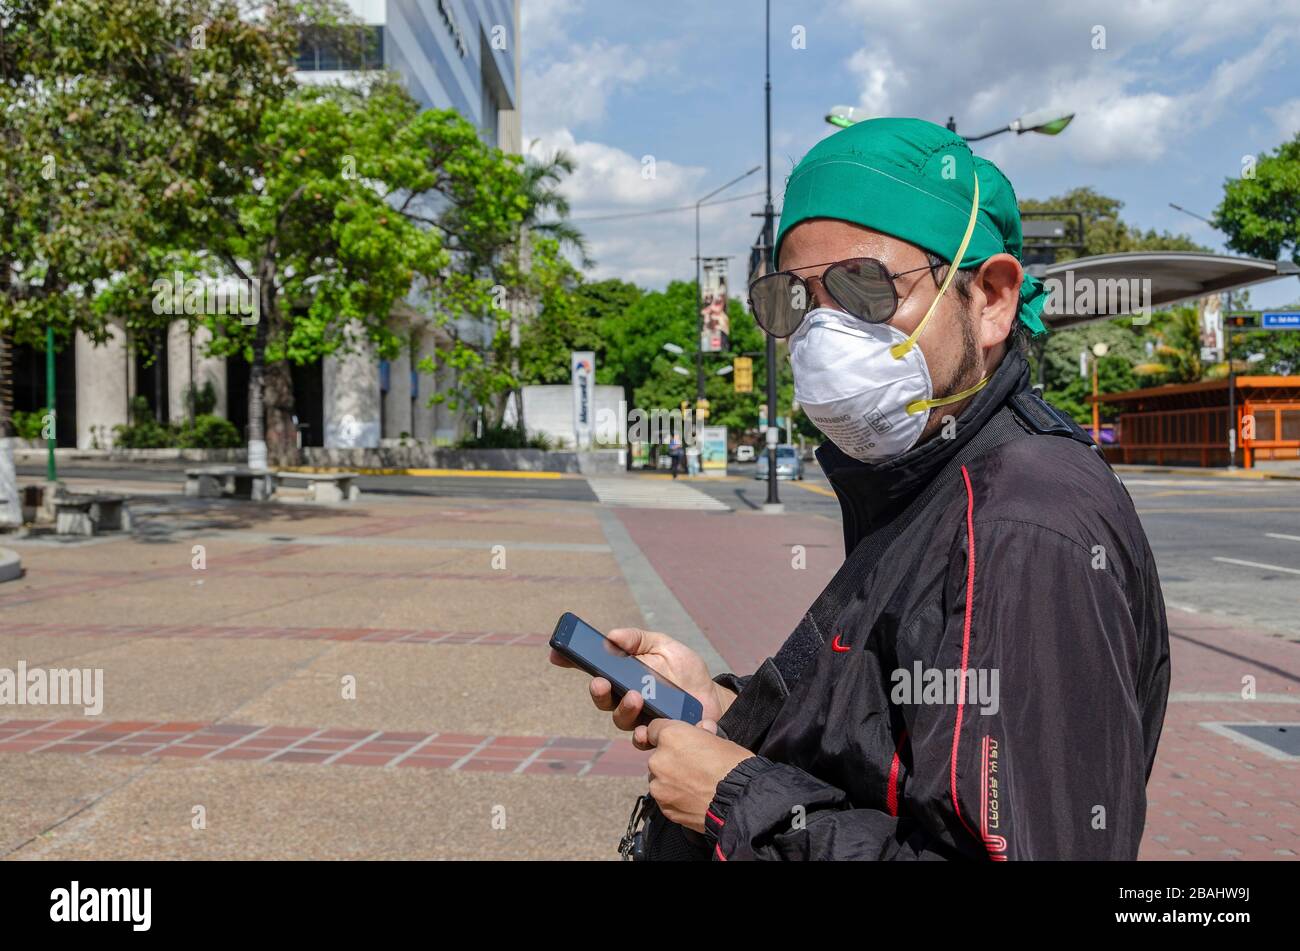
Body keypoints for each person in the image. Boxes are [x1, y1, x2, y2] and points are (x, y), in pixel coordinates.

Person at [551, 118, 1170, 861]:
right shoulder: (927, 477)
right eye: (796, 300)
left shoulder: (1026, 520)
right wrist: (725, 710)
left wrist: (737, 797)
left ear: (994, 298)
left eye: (866, 287)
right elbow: (888, 742)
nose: (825, 333)